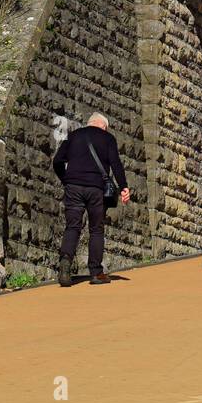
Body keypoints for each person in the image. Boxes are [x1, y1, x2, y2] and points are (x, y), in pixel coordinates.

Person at [51, 113, 130, 286]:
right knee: (96, 229)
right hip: (97, 189)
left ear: (90, 123)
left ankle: (65, 263)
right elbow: (116, 164)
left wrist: (67, 180)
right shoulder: (108, 138)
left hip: (73, 187)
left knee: (72, 226)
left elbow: (57, 161)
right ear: (103, 126)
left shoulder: (73, 136)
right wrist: (124, 187)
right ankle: (96, 273)